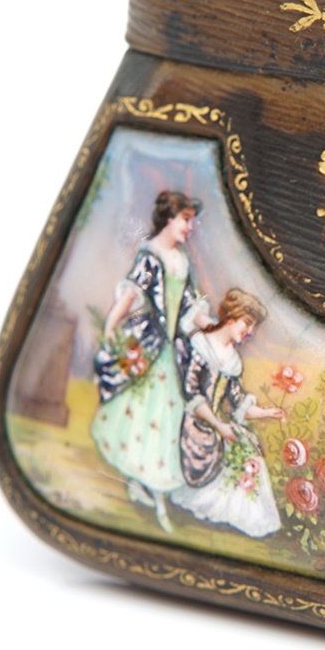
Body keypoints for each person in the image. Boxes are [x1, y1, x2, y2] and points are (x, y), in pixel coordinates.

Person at [90, 190, 214, 533]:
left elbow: (189, 305)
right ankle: (142, 485)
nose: (190, 227)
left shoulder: (181, 260)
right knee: (142, 414)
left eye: (192, 221)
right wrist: (110, 326)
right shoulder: (150, 255)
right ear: (169, 218)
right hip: (150, 345)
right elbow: (131, 294)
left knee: (166, 418)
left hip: (172, 351)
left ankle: (153, 489)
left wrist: (214, 326)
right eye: (186, 220)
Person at [171, 289, 287, 536]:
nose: (250, 331)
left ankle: (243, 515)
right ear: (232, 319)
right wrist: (218, 426)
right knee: (230, 441)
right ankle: (216, 508)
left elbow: (238, 403)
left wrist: (267, 413)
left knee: (247, 444)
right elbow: (192, 394)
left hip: (216, 422)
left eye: (253, 326)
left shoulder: (233, 360)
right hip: (194, 421)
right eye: (248, 323)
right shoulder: (201, 344)